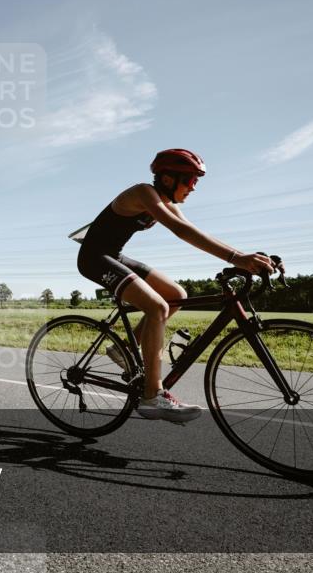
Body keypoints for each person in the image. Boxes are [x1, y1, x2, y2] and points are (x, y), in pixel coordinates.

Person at [76, 148, 275, 423]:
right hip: (94, 258)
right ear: (168, 179)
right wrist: (238, 258)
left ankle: (122, 349)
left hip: (115, 255)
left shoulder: (168, 202)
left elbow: (197, 232)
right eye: (191, 180)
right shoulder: (144, 192)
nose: (194, 188)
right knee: (157, 306)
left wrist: (248, 257)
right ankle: (151, 396)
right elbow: (180, 231)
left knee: (176, 295)